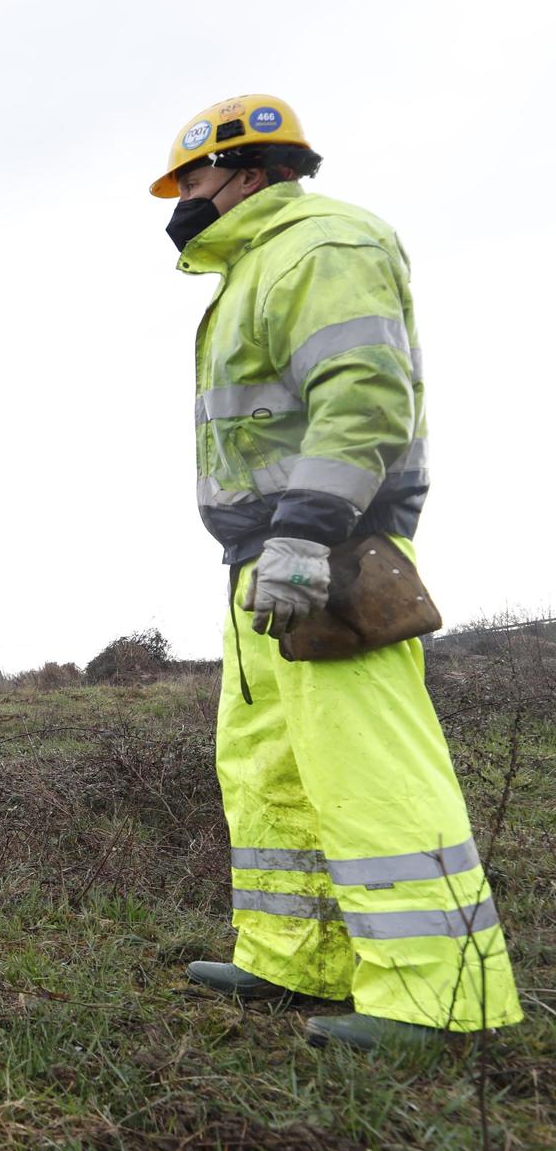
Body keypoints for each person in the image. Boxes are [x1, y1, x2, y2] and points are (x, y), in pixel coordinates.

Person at [156, 96, 521, 1049]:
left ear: (249, 170)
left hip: (331, 556)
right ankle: (295, 957)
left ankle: (436, 999)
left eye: (194, 175)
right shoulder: (255, 265)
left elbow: (364, 397)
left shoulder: (321, 247)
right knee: (270, 765)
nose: (183, 195)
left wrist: (306, 536)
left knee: (371, 771)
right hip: (264, 561)